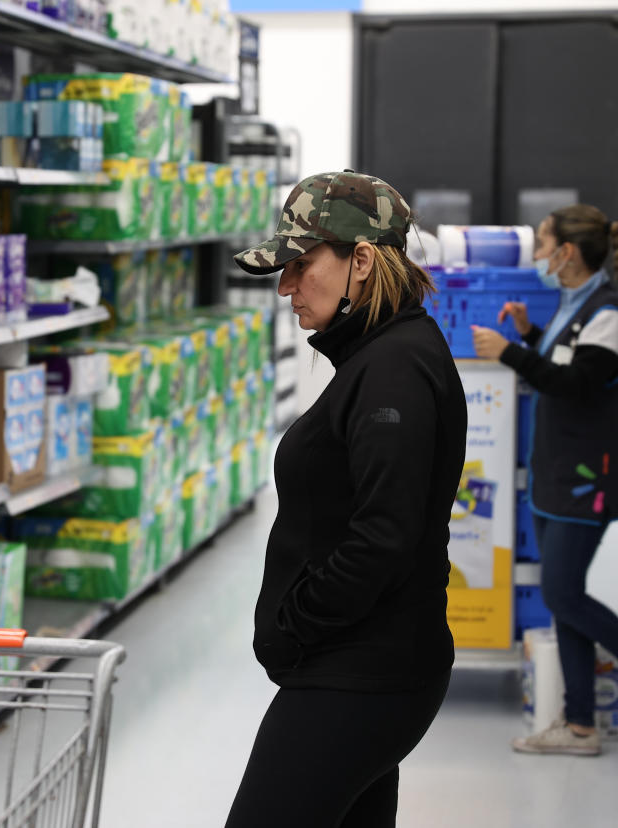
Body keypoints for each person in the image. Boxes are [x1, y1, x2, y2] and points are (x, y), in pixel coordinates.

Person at [225, 171, 467, 828]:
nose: (285, 286)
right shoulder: (381, 354)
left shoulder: (393, 369)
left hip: (360, 677)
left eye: (302, 265)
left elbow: (384, 537)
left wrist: (295, 622)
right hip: (371, 668)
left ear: (361, 261)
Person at [471, 204, 618, 756]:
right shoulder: (577, 307)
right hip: (556, 470)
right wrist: (530, 331)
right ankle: (581, 726)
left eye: (543, 246)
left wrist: (511, 352)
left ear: (567, 253)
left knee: (562, 593)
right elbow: (571, 360)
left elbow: (578, 385)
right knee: (564, 599)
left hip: (587, 476)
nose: (538, 257)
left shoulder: (609, 313)